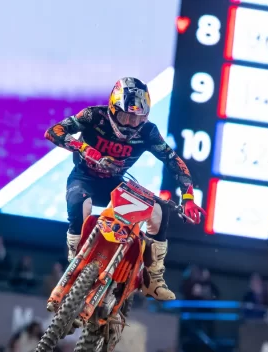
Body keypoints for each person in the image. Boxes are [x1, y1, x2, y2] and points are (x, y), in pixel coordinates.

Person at [44, 77, 205, 300]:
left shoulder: (148, 132)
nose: (130, 124)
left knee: (159, 211)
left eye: (137, 118)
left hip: (116, 184)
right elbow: (54, 131)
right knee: (81, 205)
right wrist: (82, 148)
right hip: (84, 178)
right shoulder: (93, 115)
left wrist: (188, 197)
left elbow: (173, 160)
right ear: (112, 109)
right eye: (125, 116)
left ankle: (153, 278)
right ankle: (74, 262)